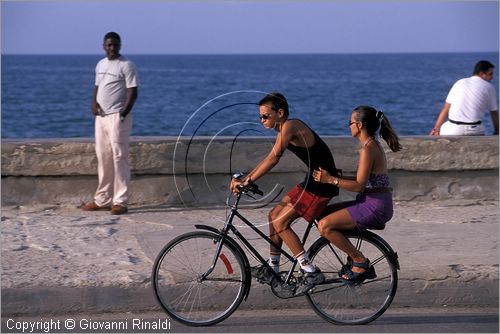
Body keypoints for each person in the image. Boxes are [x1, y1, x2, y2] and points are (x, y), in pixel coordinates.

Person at [230, 92, 340, 293]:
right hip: (311, 182)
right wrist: (246, 179)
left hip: (322, 185)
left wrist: (247, 180)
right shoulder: (283, 129)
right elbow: (270, 157)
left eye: (265, 116)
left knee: (281, 223)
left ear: (280, 113)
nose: (262, 120)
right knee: (273, 216)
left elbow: (273, 159)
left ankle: (310, 270)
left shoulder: (290, 125)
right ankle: (273, 268)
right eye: (260, 117)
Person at [313, 105, 401, 281]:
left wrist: (330, 180)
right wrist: (336, 176)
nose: (349, 126)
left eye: (350, 122)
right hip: (370, 201)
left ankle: (359, 261)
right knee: (322, 213)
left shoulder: (368, 149)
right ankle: (352, 259)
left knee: (325, 226)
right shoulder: (371, 145)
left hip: (375, 206)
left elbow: (359, 185)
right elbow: (362, 178)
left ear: (360, 125)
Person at [82, 32, 139, 215]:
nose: (112, 48)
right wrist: (93, 103)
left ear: (120, 45)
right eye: (109, 45)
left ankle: (120, 201)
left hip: (117, 117)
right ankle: (102, 199)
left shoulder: (127, 65)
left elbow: (133, 91)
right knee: (103, 157)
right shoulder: (101, 64)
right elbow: (97, 86)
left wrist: (123, 113)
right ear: (103, 46)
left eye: (115, 45)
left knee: (119, 158)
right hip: (101, 117)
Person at [430, 60, 498, 136]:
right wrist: (497, 132)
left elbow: (446, 108)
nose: (492, 77)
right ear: (482, 74)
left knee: (444, 128)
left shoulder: (459, 82)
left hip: (454, 130)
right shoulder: (490, 87)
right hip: (476, 130)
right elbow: (494, 113)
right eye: (490, 74)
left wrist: (436, 129)